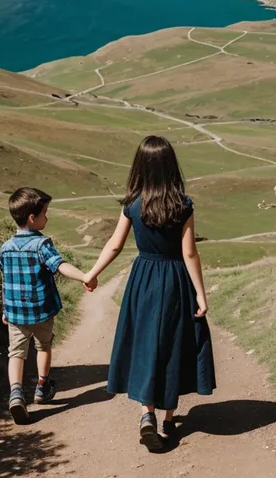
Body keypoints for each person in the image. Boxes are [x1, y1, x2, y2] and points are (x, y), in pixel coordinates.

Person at [84, 136, 216, 451]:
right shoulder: (182, 205)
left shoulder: (132, 204)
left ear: (140, 166)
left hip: (142, 280)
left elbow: (115, 244)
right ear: (171, 166)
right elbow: (190, 254)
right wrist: (201, 294)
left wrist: (92, 273)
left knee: (146, 343)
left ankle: (147, 414)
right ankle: (169, 418)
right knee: (174, 345)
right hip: (175, 281)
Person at [0, 187, 97, 424]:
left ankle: (15, 393)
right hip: (41, 310)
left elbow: (5, 280)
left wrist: (5, 309)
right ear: (32, 218)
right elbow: (59, 265)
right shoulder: (42, 244)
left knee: (16, 353)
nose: (47, 217)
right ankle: (42, 387)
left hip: (15, 313)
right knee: (43, 346)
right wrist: (84, 276)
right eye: (45, 213)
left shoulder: (5, 247)